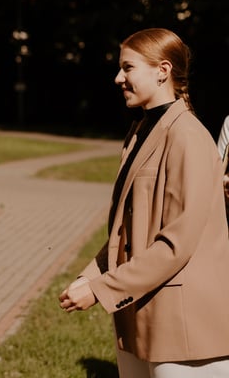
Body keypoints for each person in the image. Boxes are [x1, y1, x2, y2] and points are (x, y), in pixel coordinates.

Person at [58, 28, 229, 377]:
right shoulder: (141, 130)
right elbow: (128, 229)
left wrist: (100, 289)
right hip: (143, 316)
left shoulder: (188, 137)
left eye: (128, 67)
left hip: (185, 326)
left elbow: (175, 245)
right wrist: (88, 276)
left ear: (162, 71)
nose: (118, 78)